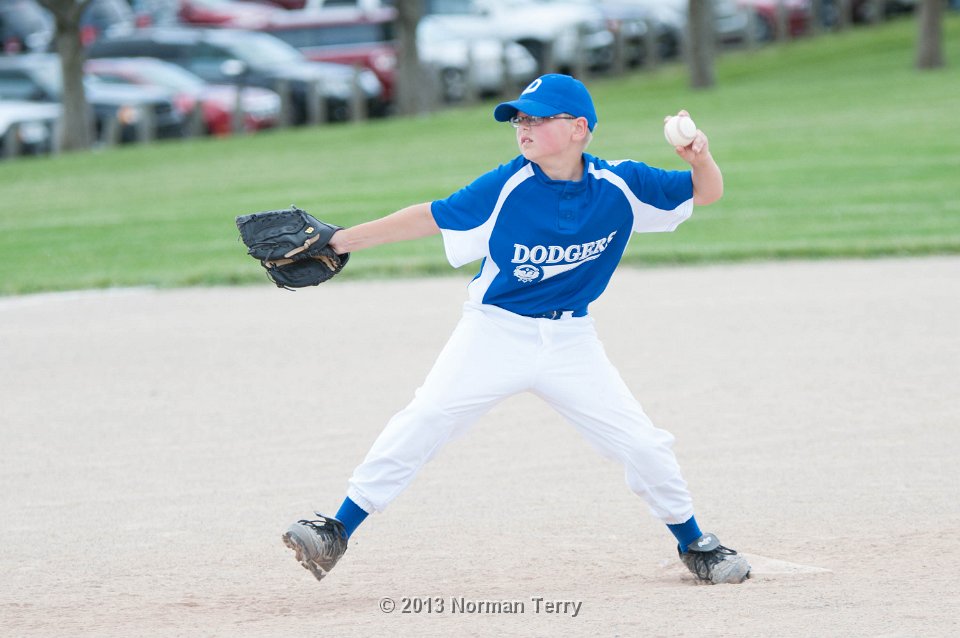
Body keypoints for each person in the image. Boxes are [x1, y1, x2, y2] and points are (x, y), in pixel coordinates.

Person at [281, 74, 751, 586]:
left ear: (578, 129)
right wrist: (340, 242)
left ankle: (695, 543)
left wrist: (699, 157)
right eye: (519, 119)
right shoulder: (506, 185)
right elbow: (430, 217)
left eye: (537, 118)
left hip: (572, 341)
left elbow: (706, 193)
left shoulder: (623, 183)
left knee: (642, 444)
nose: (523, 127)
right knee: (428, 416)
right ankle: (336, 530)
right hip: (494, 332)